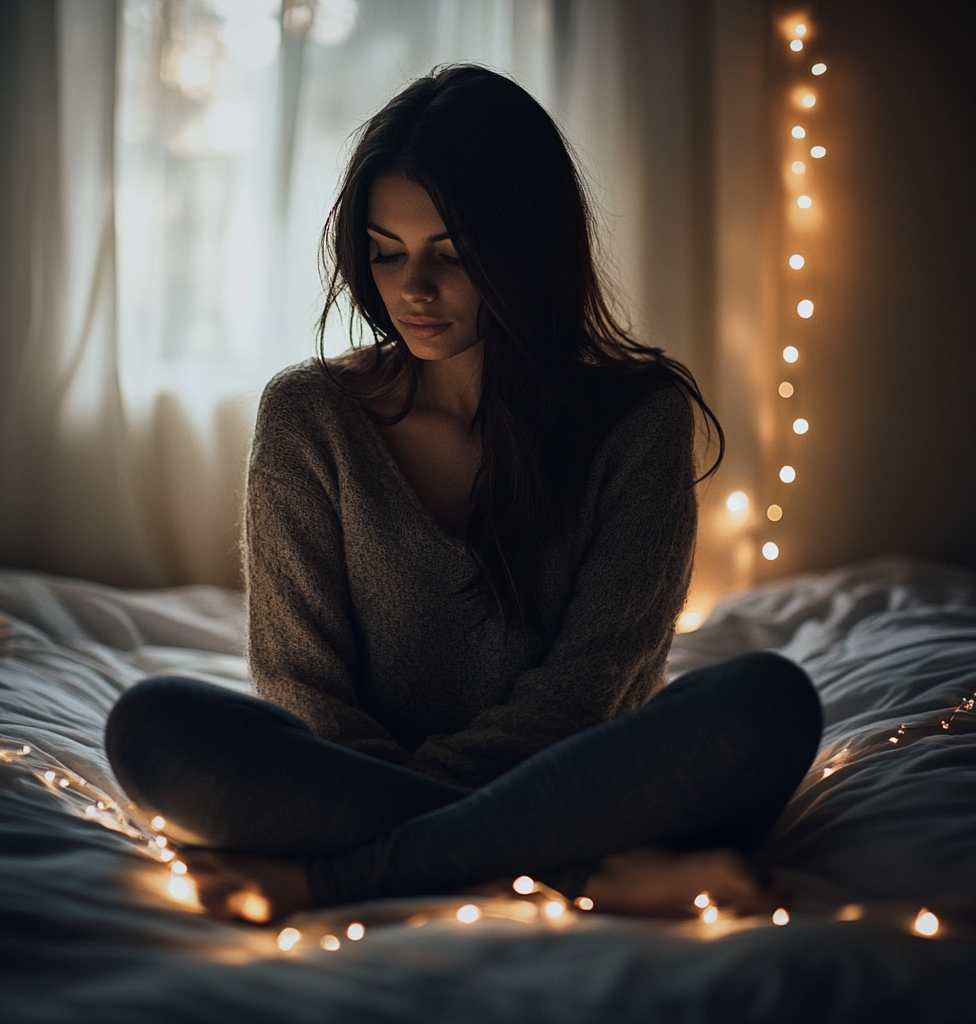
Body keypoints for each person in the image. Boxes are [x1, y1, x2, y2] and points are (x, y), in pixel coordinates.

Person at [105, 66, 821, 924]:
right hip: (543, 808)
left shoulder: (640, 420)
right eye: (385, 251)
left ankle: (352, 876)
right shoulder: (309, 416)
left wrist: (352, 854)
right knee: (155, 726)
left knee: (768, 702)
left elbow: (590, 691)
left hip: (584, 773)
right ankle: (585, 872)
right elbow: (303, 691)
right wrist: (515, 825)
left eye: (453, 253)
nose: (412, 289)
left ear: (528, 247)